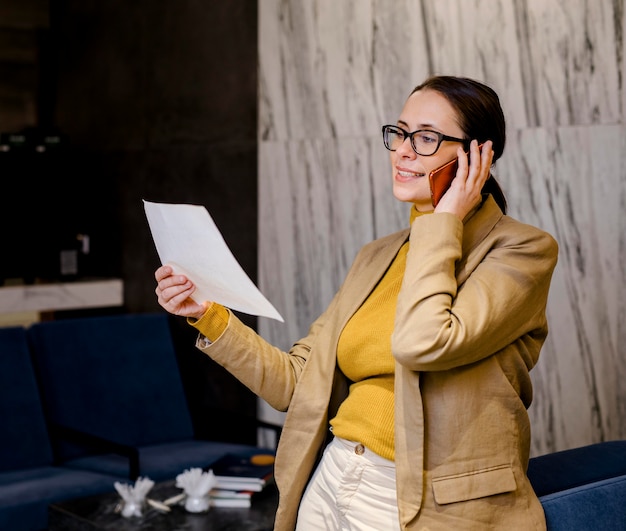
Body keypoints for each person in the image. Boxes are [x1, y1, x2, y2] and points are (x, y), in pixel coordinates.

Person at [154, 75, 558, 530]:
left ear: (476, 156)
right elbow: (293, 384)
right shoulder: (377, 256)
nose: (402, 150)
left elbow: (422, 342)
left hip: (424, 504)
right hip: (334, 480)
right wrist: (206, 315)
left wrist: (444, 221)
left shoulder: (521, 251)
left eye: (425, 138)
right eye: (400, 133)